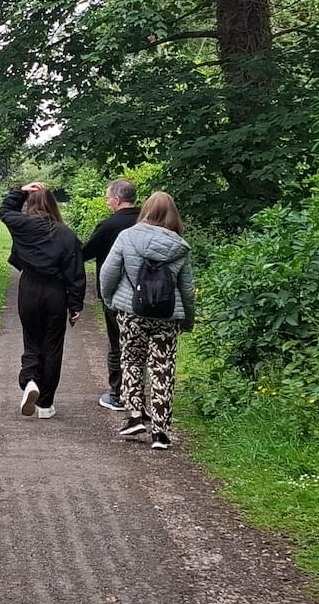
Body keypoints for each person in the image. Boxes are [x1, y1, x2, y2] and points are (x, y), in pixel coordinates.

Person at [98, 191, 195, 451]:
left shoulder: (127, 237)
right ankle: (161, 433)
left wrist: (110, 301)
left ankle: (135, 416)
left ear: (146, 211)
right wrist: (187, 320)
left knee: (130, 359)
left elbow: (108, 274)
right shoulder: (179, 246)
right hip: (166, 316)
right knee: (163, 368)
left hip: (131, 313)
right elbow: (187, 289)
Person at [0, 182, 87, 419]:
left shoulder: (22, 226)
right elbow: (75, 272)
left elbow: (5, 211)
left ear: (30, 203)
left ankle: (29, 381)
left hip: (28, 289)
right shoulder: (66, 234)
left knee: (31, 340)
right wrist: (75, 305)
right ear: (53, 204)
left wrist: (20, 190)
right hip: (55, 293)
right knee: (52, 346)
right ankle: (46, 405)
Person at [81, 179, 140, 411]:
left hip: (115, 293)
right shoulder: (148, 220)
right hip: (148, 295)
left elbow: (85, 253)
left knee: (117, 344)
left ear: (116, 199)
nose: (107, 203)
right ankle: (138, 393)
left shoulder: (109, 225)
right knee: (139, 344)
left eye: (108, 198)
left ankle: (117, 393)